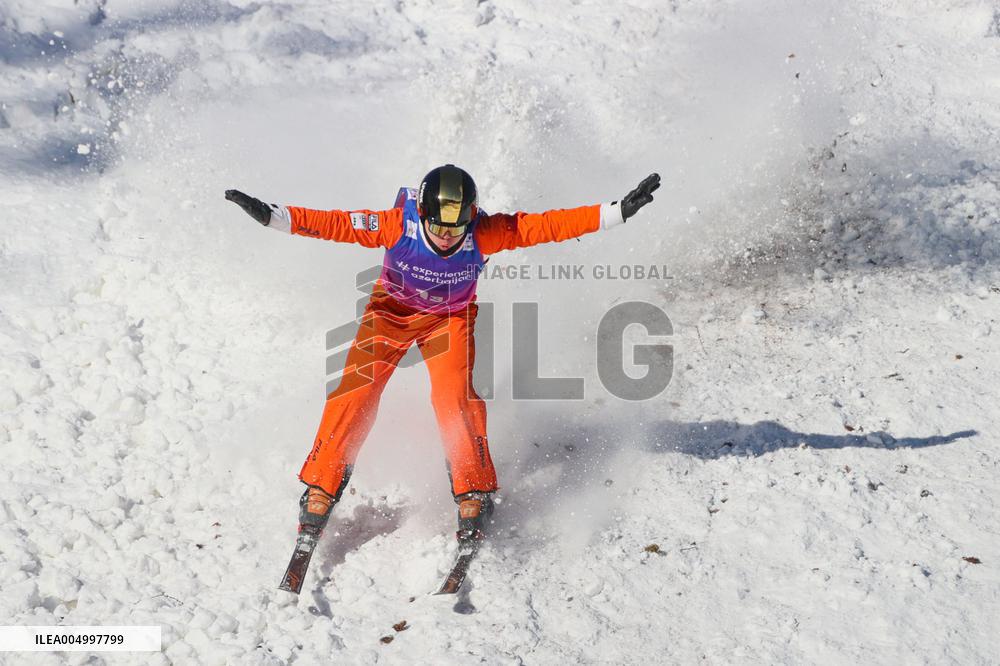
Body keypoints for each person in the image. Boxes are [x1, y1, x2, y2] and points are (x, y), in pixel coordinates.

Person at [225, 166, 659, 554]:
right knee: (356, 391)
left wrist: (617, 211)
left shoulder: (485, 232)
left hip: (448, 322)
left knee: (454, 400)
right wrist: (271, 215)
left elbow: (547, 226)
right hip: (389, 314)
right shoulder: (396, 225)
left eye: (458, 229)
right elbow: (333, 224)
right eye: (439, 228)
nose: (448, 237)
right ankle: (321, 485)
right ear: (422, 214)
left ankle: (473, 490)